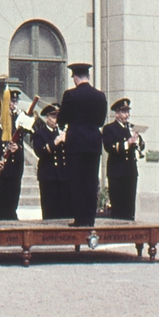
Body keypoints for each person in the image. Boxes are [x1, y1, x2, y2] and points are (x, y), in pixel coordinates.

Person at [57, 62, 107, 226]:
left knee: (77, 181)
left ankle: (80, 219)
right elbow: (100, 121)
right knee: (91, 181)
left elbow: (61, 120)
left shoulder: (70, 95)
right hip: (93, 142)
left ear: (75, 78)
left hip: (76, 142)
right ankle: (90, 219)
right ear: (89, 76)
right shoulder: (100, 96)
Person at [0, 90, 29, 221]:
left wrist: (17, 148)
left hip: (12, 169)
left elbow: (20, 144)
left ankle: (11, 219)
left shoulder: (14, 128)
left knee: (11, 198)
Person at [102, 97, 144, 221]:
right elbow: (109, 147)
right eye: (124, 112)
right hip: (117, 171)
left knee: (130, 204)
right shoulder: (110, 128)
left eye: (128, 112)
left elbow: (141, 145)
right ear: (117, 113)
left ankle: (130, 224)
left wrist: (138, 140)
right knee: (118, 204)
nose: (127, 115)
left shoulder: (131, 128)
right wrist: (127, 143)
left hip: (130, 171)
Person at [33, 103, 69, 220]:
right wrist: (55, 142)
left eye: (58, 117)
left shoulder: (63, 132)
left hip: (63, 175)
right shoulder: (40, 133)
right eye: (53, 117)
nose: (56, 120)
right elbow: (40, 152)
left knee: (64, 209)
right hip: (48, 176)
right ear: (46, 117)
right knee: (49, 209)